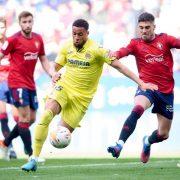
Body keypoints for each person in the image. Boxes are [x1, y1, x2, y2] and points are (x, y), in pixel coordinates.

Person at [21, 18, 157, 172]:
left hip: (81, 100)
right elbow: (55, 66)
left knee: (62, 137)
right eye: (74, 34)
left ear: (87, 34)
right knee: (46, 115)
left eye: (80, 34)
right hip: (64, 88)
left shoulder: (97, 50)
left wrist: (141, 83)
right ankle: (33, 159)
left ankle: (42, 149)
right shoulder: (67, 46)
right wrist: (53, 73)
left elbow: (119, 66)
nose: (76, 37)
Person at [107, 12, 180, 163]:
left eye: (147, 27)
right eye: (141, 28)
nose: (144, 31)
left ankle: (147, 142)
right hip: (147, 86)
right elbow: (123, 51)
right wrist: (116, 54)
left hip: (166, 92)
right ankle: (119, 144)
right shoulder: (135, 43)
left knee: (163, 134)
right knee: (138, 108)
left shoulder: (165, 39)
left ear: (154, 27)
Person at [0, 11, 53, 159]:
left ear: (33, 22)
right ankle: (31, 154)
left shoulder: (38, 39)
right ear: (20, 23)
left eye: (30, 21)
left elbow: (43, 59)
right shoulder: (13, 40)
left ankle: (5, 143)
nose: (27, 24)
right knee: (23, 118)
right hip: (16, 83)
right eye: (24, 22)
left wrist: (51, 73)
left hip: (30, 83)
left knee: (31, 119)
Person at [0, 17, 18, 160]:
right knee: (3, 116)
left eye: (2, 27)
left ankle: (6, 143)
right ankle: (10, 148)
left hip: (12, 83)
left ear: (6, 27)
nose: (0, 30)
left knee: (20, 118)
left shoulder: (10, 43)